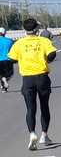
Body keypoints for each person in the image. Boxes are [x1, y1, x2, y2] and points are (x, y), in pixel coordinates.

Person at [9, 19, 57, 149]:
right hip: (42, 77)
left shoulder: (19, 43)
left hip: (27, 79)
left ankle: (31, 134)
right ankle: (44, 135)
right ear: (37, 30)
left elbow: (12, 59)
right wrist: (44, 60)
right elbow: (52, 54)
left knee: (30, 109)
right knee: (44, 106)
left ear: (25, 30)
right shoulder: (44, 41)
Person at [0, 27, 14, 93]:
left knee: (1, 74)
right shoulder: (9, 40)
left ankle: (3, 88)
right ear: (4, 33)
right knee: (10, 73)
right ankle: (6, 78)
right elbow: (14, 49)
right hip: (7, 59)